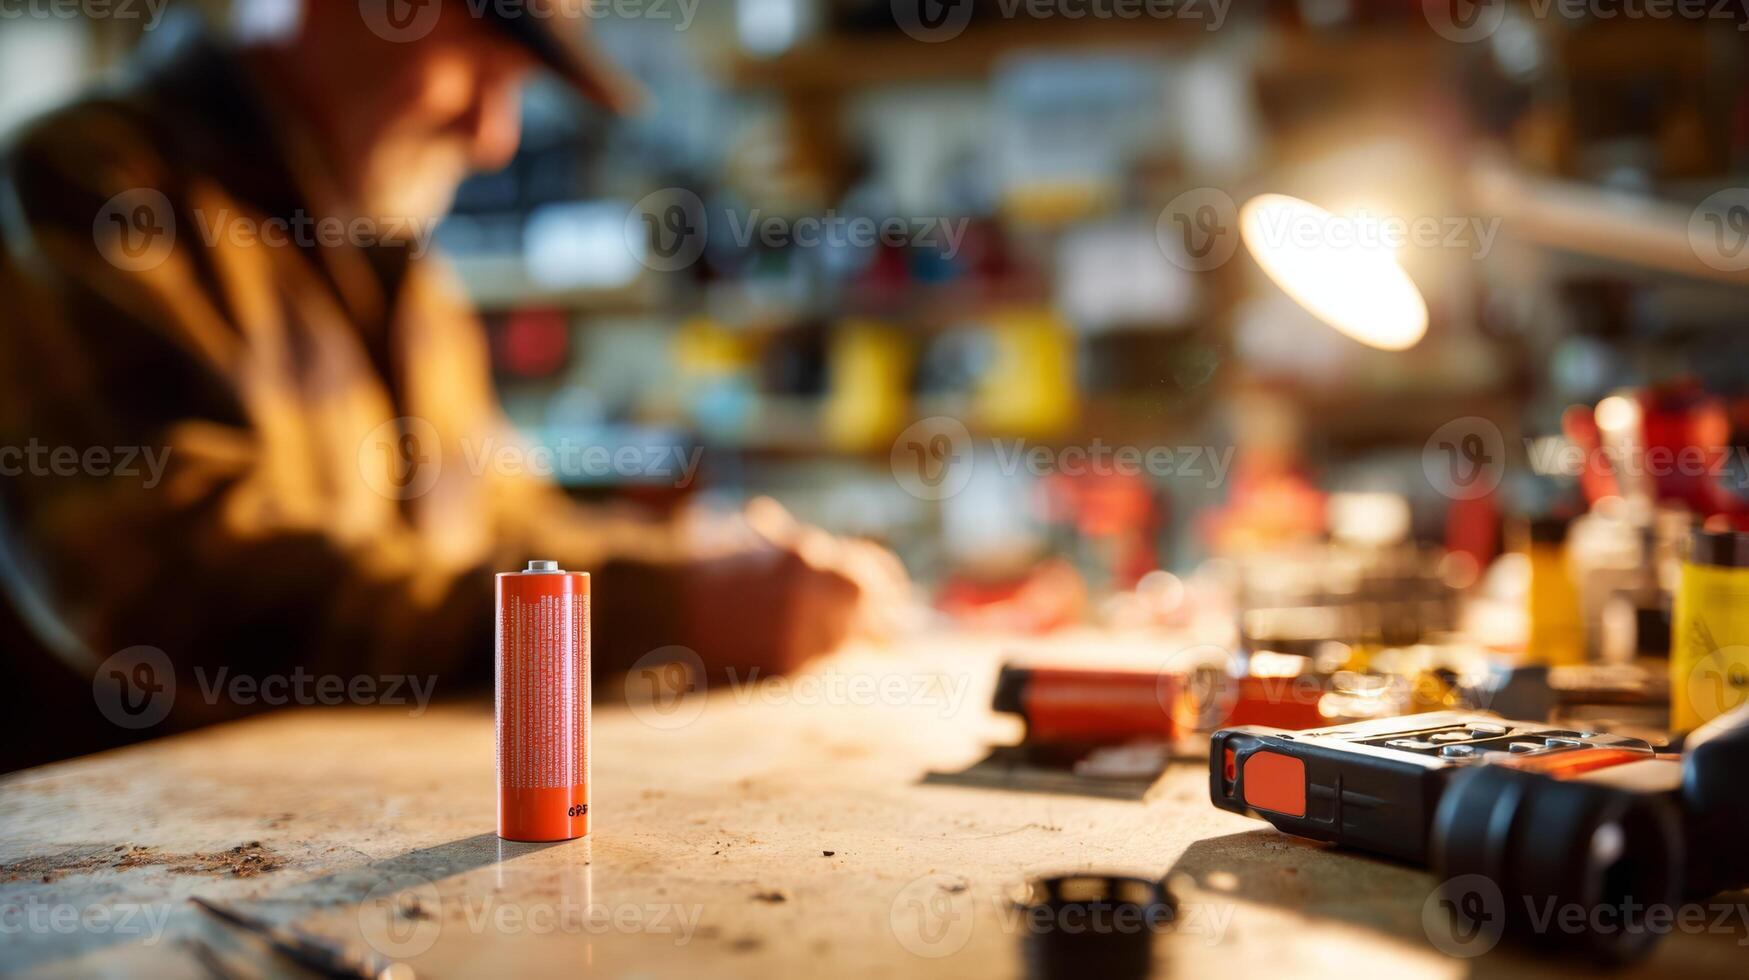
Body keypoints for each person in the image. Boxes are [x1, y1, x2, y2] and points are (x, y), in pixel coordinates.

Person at [0, 0, 903, 756]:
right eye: (483, 64)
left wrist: (703, 562)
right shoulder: (85, 190)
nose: (495, 137)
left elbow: (510, 523)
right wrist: (662, 609)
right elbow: (173, 591)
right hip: (120, 905)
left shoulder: (394, 263)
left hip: (327, 852)